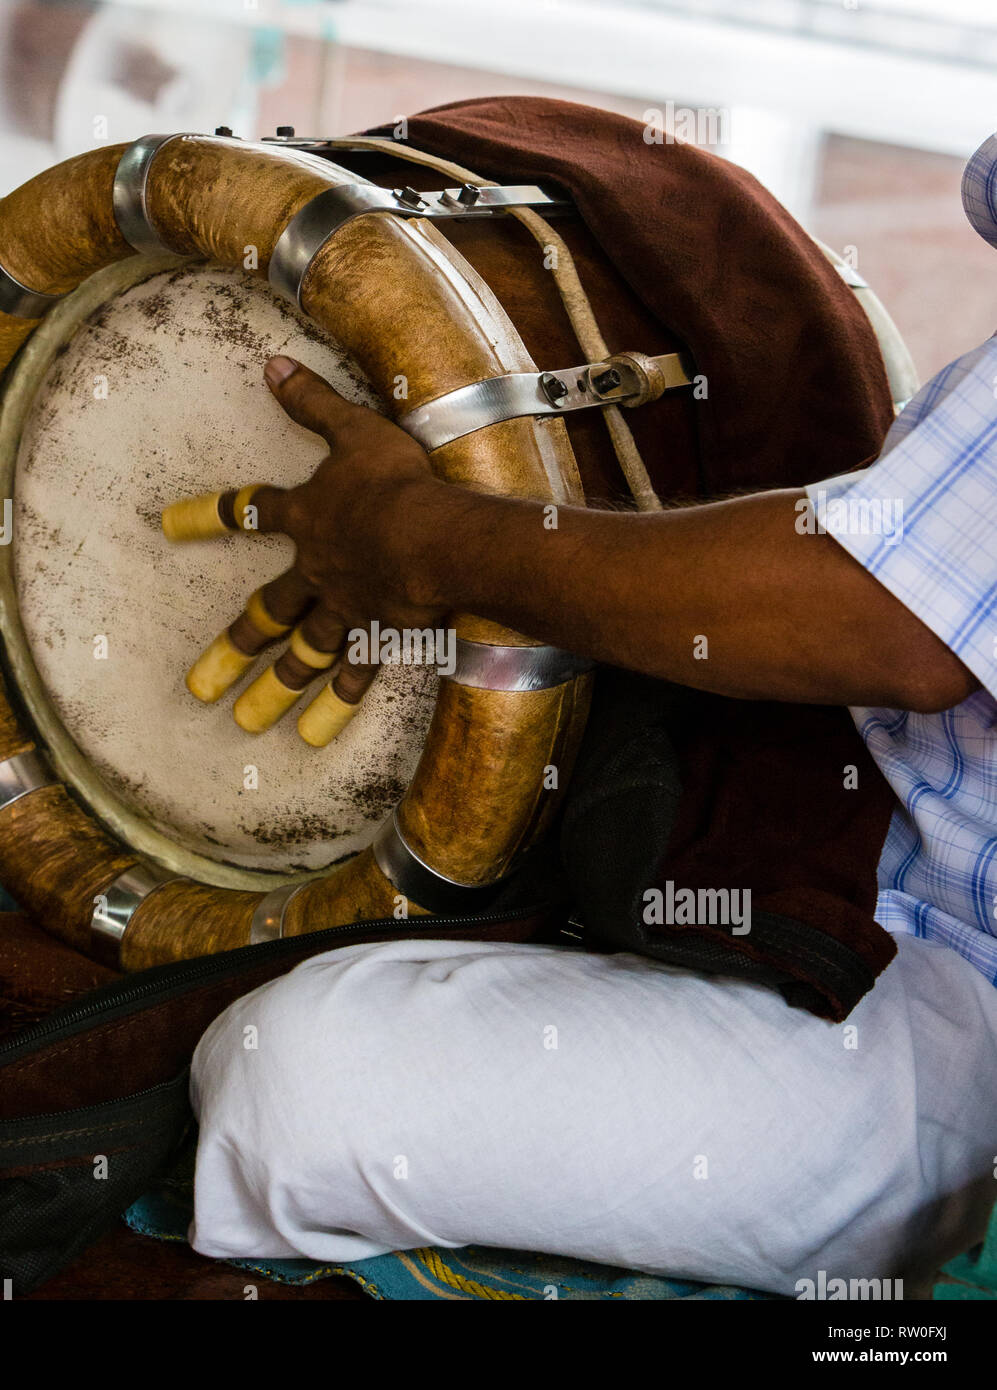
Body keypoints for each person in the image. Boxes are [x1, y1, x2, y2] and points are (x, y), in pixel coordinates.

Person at [185, 136, 997, 1296]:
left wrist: (419, 542)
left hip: (961, 1016)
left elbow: (884, 619)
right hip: (851, 848)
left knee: (296, 1084)